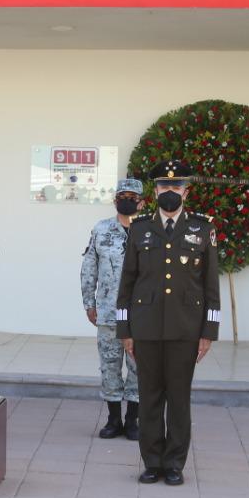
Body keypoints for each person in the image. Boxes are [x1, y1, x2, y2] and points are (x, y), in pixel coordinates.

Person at [117, 159, 220, 486]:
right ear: (155, 190)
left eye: (176, 186)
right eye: (164, 186)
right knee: (148, 397)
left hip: (185, 329)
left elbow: (211, 286)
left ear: (186, 191)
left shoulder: (203, 228)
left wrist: (208, 332)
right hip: (145, 328)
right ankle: (152, 462)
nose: (170, 191)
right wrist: (125, 330)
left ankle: (174, 463)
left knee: (178, 398)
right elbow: (127, 284)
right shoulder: (140, 227)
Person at [80, 179, 143, 440]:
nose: (126, 199)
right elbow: (89, 267)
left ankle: (132, 421)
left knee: (140, 368)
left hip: (142, 314)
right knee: (109, 366)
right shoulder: (102, 229)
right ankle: (113, 419)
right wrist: (89, 302)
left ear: (142, 201)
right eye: (122, 195)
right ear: (115, 199)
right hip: (108, 312)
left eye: (132, 196)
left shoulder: (150, 230)